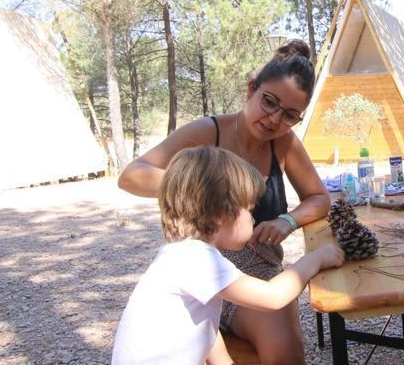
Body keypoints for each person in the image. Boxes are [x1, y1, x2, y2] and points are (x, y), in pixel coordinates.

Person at [118, 40, 330, 364]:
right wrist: (203, 187)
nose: (274, 119)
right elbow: (132, 176)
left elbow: (319, 198)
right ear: (251, 89)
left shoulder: (284, 144)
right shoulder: (208, 132)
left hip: (260, 269)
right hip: (212, 260)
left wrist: (287, 221)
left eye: (289, 115)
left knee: (284, 353)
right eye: (269, 102)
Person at [112, 146, 344, 364]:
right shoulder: (198, 259)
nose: (253, 219)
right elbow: (273, 296)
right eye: (250, 210)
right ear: (221, 215)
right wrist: (315, 259)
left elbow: (205, 329)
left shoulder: (181, 253)